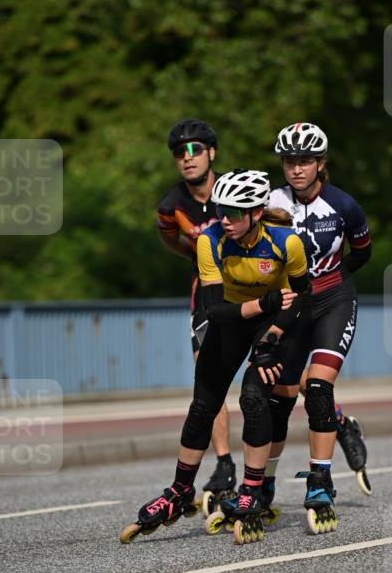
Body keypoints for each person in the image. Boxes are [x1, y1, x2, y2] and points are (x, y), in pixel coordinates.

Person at [120, 169, 310, 546]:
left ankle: (252, 490)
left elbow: (301, 299)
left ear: (256, 213)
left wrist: (272, 336)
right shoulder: (211, 241)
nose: (224, 218)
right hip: (237, 315)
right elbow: (211, 311)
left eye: (235, 211)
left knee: (254, 398)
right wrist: (263, 302)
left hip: (274, 324)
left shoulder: (286, 242)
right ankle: (179, 491)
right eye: (221, 209)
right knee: (203, 404)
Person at [264, 122, 373, 533]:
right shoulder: (270, 202)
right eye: (289, 161)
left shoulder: (344, 205)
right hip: (293, 305)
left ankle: (321, 481)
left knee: (318, 389)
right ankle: (263, 483)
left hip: (334, 299)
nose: (296, 169)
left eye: (305, 161)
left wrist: (332, 279)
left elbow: (362, 252)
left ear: (320, 164)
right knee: (279, 397)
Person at [156, 119, 236, 507]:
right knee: (209, 377)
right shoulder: (171, 206)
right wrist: (195, 255)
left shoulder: (234, 190)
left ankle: (336, 416)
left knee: (281, 376)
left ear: (211, 153)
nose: (187, 159)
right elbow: (170, 240)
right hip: (206, 293)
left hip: (251, 285)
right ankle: (224, 464)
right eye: (179, 154)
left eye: (195, 151)